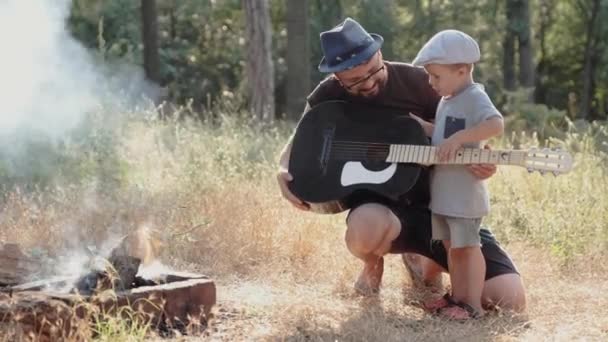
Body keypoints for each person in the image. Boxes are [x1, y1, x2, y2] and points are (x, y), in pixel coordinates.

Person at [276, 18, 525, 317]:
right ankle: (373, 262)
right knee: (364, 225)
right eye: (354, 81)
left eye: (372, 71)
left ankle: (426, 263)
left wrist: (481, 158)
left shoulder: (425, 81)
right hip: (383, 213)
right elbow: (301, 137)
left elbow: (470, 130)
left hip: (441, 206)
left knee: (508, 300)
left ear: (379, 54)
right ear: (338, 78)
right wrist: (282, 169)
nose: (367, 83)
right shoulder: (328, 94)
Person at [408, 30, 505, 319]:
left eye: (436, 76)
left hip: (463, 194)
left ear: (462, 71)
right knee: (452, 249)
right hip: (444, 194)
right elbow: (441, 137)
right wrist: (418, 127)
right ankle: (457, 299)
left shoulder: (474, 96)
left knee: (467, 247)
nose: (431, 82)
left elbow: (495, 125)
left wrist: (462, 138)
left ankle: (472, 305)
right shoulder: (448, 99)